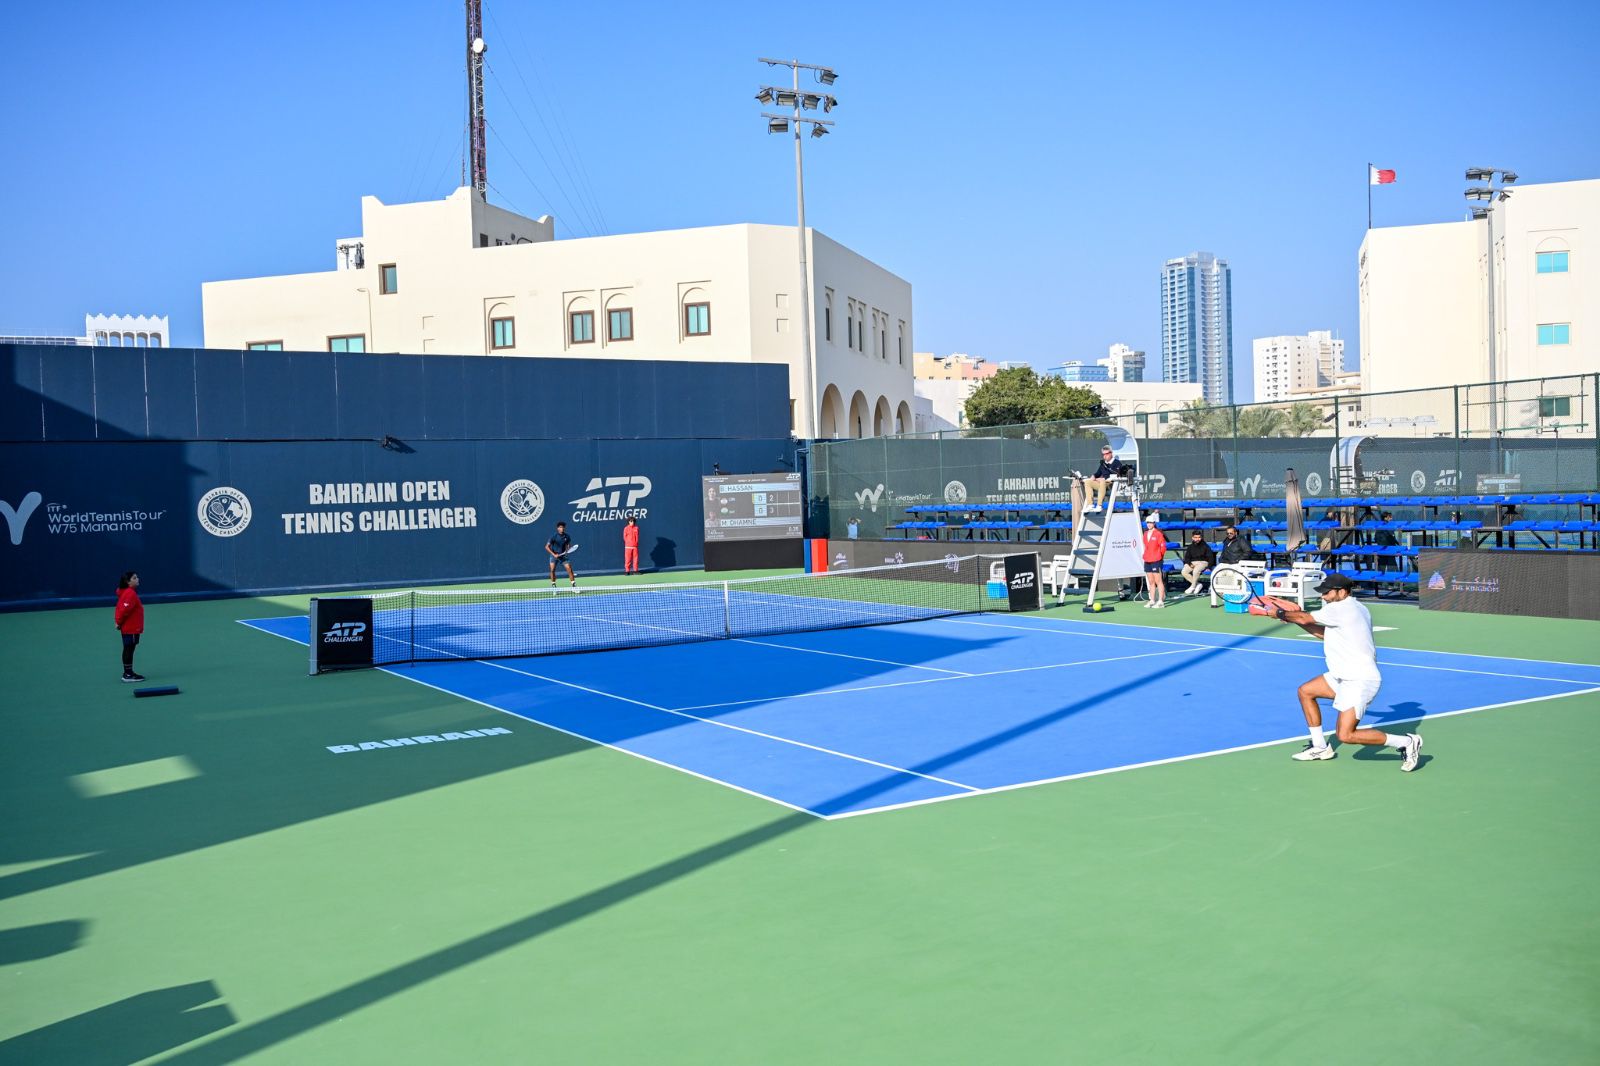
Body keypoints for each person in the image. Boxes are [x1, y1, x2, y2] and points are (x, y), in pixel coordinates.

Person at [1268, 574, 1422, 771]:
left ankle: (1407, 743)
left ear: (1341, 592)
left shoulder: (1341, 608)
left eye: (1327, 593)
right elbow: (1323, 633)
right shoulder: (1358, 608)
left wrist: (1280, 613)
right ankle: (1320, 747)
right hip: (1341, 676)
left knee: (1346, 735)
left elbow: (1305, 617)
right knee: (1306, 691)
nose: (1323, 596)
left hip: (1359, 679)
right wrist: (1295, 619)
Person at [114, 571, 146, 682]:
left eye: (137, 577)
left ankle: (128, 672)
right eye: (134, 578)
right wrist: (118, 622)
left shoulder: (127, 592)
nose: (137, 579)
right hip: (130, 628)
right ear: (128, 582)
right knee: (129, 649)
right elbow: (123, 610)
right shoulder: (130, 593)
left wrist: (118, 622)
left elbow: (120, 609)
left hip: (131, 628)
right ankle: (127, 674)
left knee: (129, 649)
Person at [1141, 512, 1167, 608]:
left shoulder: (1158, 534)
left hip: (1156, 560)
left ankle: (1160, 601)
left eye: (1151, 522)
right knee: (1151, 581)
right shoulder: (1145, 534)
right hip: (1147, 560)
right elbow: (1146, 546)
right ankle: (1152, 600)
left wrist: (1159, 557)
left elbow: (1163, 547)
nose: (1149, 524)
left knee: (1158, 581)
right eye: (1147, 522)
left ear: (1154, 523)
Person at [1179, 530, 1216, 596]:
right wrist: (1190, 564)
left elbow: (1211, 558)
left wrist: (1209, 567)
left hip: (1203, 562)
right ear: (1192, 538)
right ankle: (1198, 584)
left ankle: (1193, 586)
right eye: (1195, 537)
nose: (1197, 539)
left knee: (1196, 571)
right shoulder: (1190, 547)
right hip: (1192, 562)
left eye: (1199, 537)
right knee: (1184, 572)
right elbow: (1187, 558)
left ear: (1201, 537)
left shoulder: (1206, 546)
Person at [1084, 445, 1120, 512]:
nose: (1105, 456)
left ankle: (1099, 505)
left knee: (1102, 481)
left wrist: (1103, 479)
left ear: (1111, 453)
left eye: (1106, 454)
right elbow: (1098, 473)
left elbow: (1117, 475)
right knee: (1088, 482)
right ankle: (1090, 505)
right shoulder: (1103, 463)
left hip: (1111, 484)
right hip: (1102, 483)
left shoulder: (1117, 463)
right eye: (1103, 454)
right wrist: (1094, 476)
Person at [547, 521, 578, 589]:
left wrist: (567, 550)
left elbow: (568, 545)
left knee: (569, 569)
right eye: (561, 527)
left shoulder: (567, 536)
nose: (562, 528)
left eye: (563, 527)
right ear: (558, 528)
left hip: (563, 556)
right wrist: (554, 554)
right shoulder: (554, 536)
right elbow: (546, 547)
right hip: (554, 556)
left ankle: (574, 586)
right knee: (552, 570)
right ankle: (553, 585)